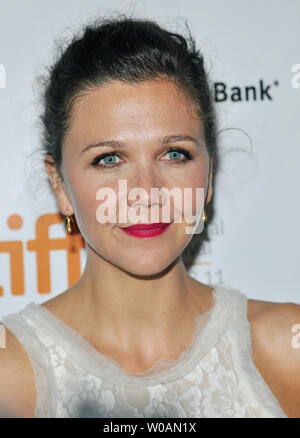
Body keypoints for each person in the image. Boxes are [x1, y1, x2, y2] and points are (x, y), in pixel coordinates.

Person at [0, 14, 299, 419]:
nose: (145, 193)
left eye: (174, 154)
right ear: (60, 186)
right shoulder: (8, 375)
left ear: (208, 174)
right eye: (109, 159)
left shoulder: (286, 346)